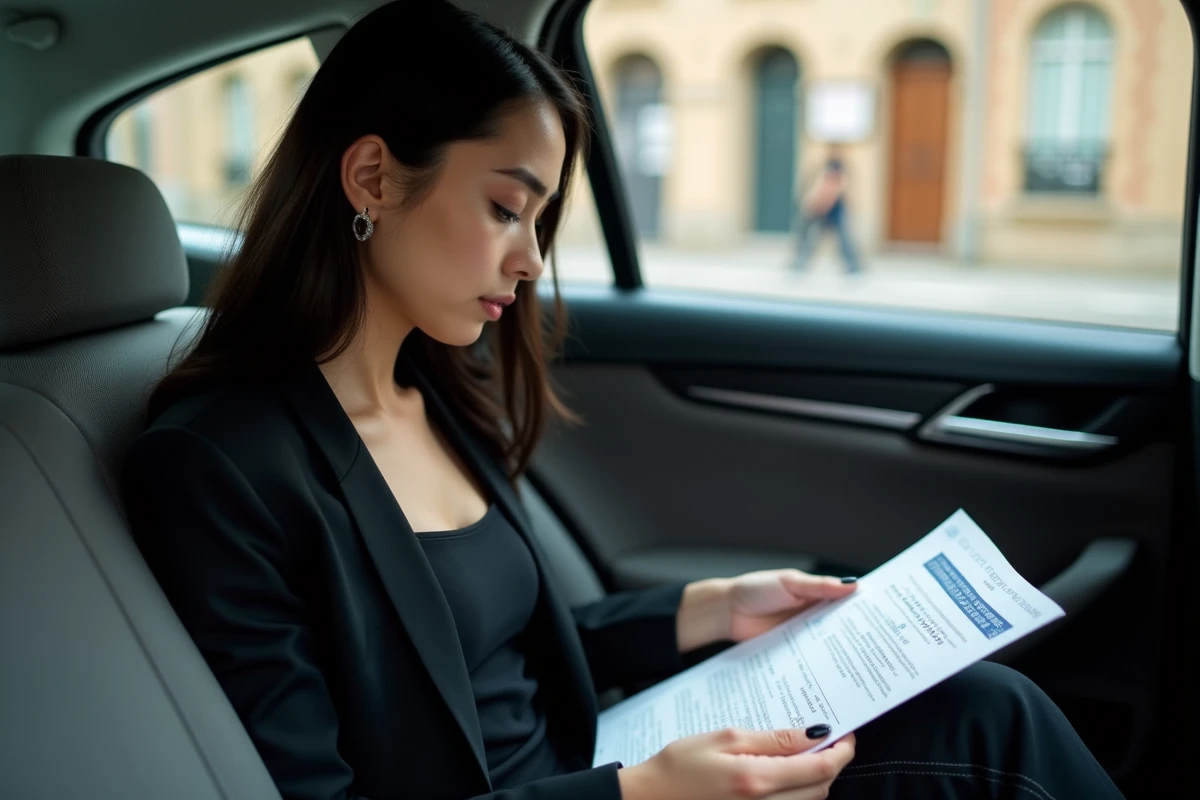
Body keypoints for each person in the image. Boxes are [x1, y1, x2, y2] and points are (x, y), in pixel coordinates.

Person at [120, 2, 1126, 799]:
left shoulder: (430, 387)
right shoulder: (221, 463)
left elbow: (499, 651)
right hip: (600, 786)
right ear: (374, 176)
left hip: (606, 756)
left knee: (989, 701)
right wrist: (637, 795)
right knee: (1003, 740)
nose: (530, 257)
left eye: (543, 216)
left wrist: (712, 608)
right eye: (507, 206)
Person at [792, 145, 864, 275]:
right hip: (820, 207)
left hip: (834, 208)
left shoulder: (839, 170)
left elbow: (835, 190)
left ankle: (854, 267)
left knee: (844, 238)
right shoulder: (823, 168)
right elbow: (817, 189)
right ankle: (799, 263)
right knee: (809, 237)